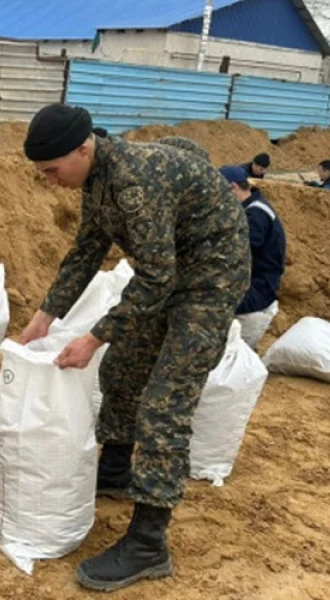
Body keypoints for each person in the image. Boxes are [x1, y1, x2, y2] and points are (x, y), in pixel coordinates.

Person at [19, 104, 250, 592]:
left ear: (82, 149)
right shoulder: (96, 178)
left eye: (52, 170)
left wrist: (94, 335)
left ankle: (149, 543)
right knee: (122, 368)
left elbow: (155, 276)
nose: (50, 181)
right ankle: (119, 469)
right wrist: (45, 316)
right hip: (170, 272)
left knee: (165, 402)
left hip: (210, 277)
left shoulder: (131, 181)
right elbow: (87, 249)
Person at [219, 165, 286, 348]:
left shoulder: (256, 214)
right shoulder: (250, 207)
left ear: (233, 187)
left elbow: (237, 250)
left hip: (258, 289)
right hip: (253, 284)